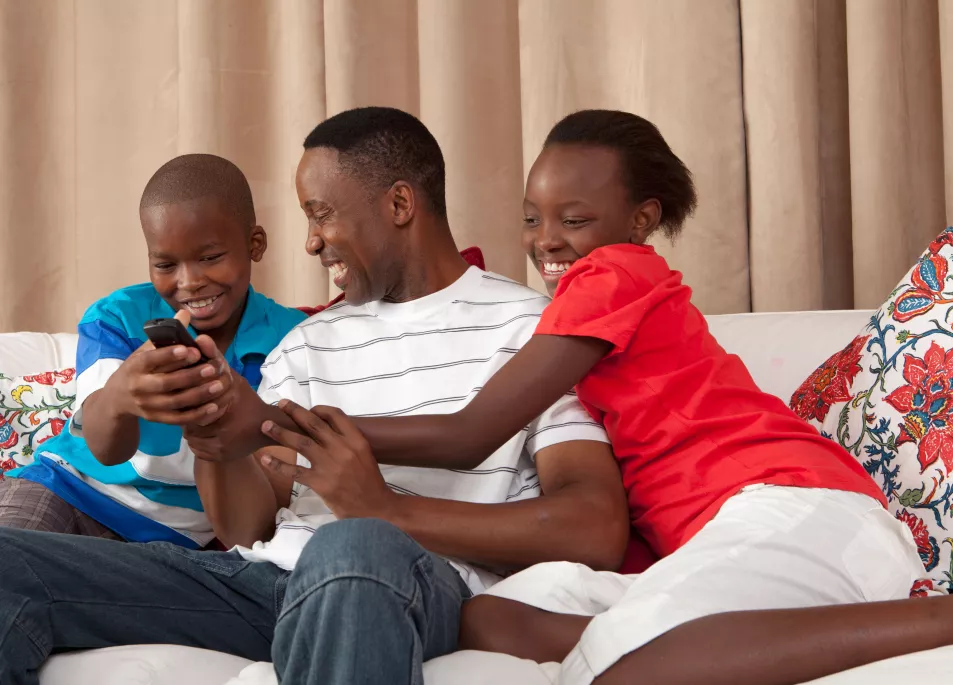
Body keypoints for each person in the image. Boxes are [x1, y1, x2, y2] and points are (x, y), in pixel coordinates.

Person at [315, 109, 953, 685]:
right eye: (532, 219)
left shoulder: (613, 272)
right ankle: (681, 640)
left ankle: (929, 620)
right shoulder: (581, 308)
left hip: (799, 509)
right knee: (491, 619)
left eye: (574, 220)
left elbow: (471, 435)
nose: (546, 241)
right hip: (722, 538)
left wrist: (292, 427)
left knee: (629, 670)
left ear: (639, 220)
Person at [0, 107, 629, 685]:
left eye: (322, 214)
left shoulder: (535, 332)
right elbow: (250, 524)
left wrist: (381, 512)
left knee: (351, 544)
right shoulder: (307, 341)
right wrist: (216, 433)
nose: (309, 242)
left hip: (408, 582)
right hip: (264, 583)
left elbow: (595, 527)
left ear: (400, 204)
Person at [0, 154, 306, 546]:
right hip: (67, 492)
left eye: (210, 258)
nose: (189, 281)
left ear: (254, 244)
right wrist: (121, 397)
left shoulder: (293, 339)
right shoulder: (119, 317)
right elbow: (107, 450)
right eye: (165, 264)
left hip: (175, 541)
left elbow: (260, 512)